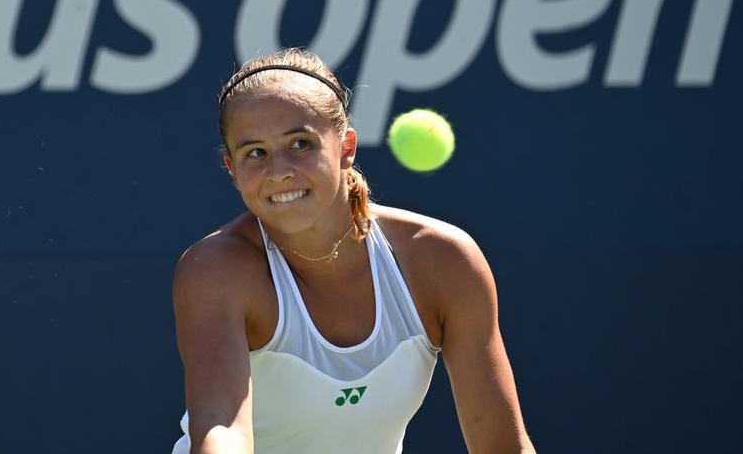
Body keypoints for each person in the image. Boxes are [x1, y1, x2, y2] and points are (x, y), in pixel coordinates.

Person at [171, 48, 536, 454]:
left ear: (346, 147)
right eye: (255, 153)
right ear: (232, 171)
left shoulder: (442, 260)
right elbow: (223, 429)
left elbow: (502, 446)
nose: (280, 171)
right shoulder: (215, 270)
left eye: (300, 143)